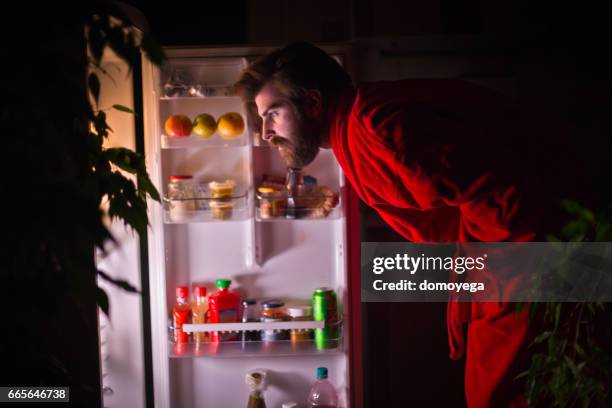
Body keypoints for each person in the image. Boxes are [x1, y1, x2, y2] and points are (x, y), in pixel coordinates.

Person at [234, 42, 589, 407]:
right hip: (513, 253)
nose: (266, 132)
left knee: (506, 393)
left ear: (312, 103)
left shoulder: (377, 128)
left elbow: (504, 189)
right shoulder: (358, 123)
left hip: (527, 257)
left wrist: (494, 275)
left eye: (273, 114)